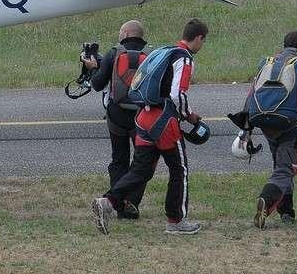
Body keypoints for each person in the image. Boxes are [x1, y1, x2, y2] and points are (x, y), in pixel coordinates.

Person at [91, 18, 208, 235]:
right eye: (203, 41)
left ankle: (107, 202)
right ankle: (176, 220)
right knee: (179, 169)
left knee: (141, 170)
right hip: (164, 120)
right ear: (199, 38)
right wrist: (189, 116)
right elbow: (177, 94)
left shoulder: (164, 51)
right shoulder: (184, 58)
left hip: (143, 116)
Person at [247, 31, 297, 228]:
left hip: (264, 122)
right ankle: (266, 200)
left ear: (284, 45)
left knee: (280, 164)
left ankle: (287, 213)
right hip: (289, 125)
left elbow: (252, 91)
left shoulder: (266, 62)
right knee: (285, 169)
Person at [83, 19, 149, 219]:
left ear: (127, 33)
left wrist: (93, 67)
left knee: (118, 159)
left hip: (117, 115)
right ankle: (132, 202)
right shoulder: (150, 56)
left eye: (121, 32)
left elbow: (97, 84)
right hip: (141, 116)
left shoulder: (114, 53)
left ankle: (118, 204)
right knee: (140, 163)